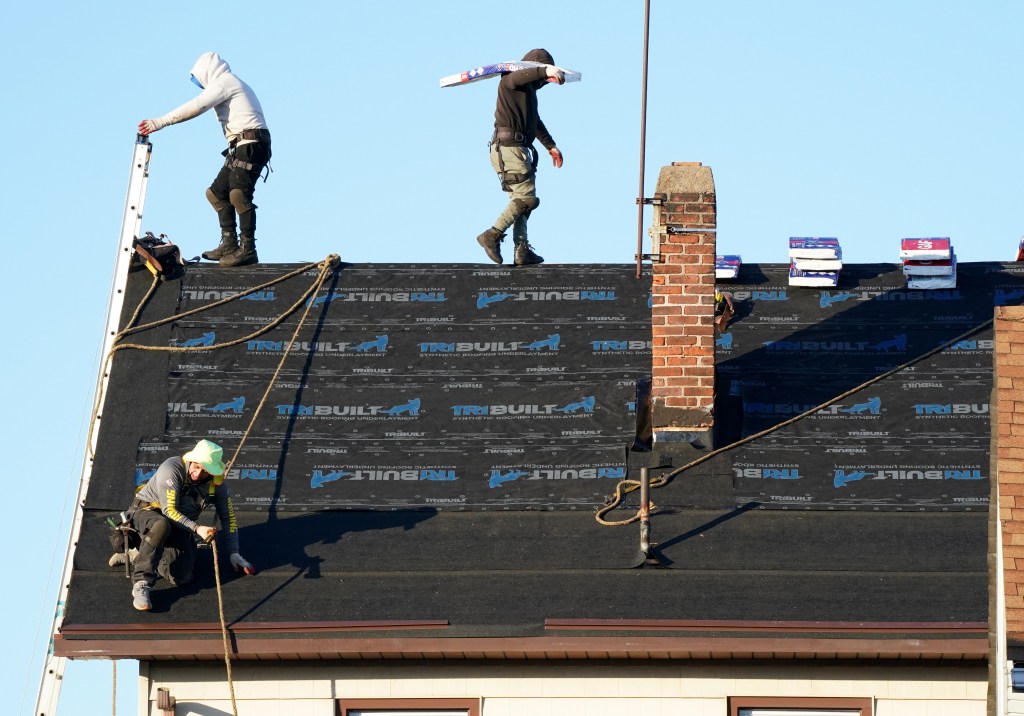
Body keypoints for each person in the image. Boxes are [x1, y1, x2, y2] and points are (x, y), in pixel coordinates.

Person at [138, 52, 271, 268]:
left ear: (207, 72)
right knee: (216, 193)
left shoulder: (226, 82)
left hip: (253, 144)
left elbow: (197, 106)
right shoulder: (227, 83)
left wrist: (160, 122)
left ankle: (248, 249)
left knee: (238, 193)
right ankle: (229, 243)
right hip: (240, 146)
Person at [117, 439, 254, 611]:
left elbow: (229, 518)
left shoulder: (217, 484)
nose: (197, 474)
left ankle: (138, 555)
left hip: (179, 526)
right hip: (148, 514)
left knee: (183, 577)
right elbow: (169, 511)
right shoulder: (172, 468)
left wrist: (234, 553)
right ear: (192, 460)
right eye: (196, 466)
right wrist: (198, 529)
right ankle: (141, 583)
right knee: (161, 524)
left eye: (204, 471)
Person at [476, 49, 566, 267]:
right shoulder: (511, 81)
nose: (545, 83)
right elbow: (523, 75)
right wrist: (547, 70)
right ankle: (492, 235)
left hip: (513, 149)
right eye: (543, 79)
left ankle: (521, 249)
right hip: (509, 149)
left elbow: (534, 121)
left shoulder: (527, 94)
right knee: (527, 199)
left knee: (521, 202)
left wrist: (550, 145)